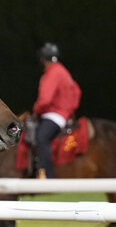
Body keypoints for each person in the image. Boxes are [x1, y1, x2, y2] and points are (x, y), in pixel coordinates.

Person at [31, 42, 81, 178]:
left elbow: (45, 100)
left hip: (55, 114)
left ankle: (47, 174)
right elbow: (77, 92)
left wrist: (36, 110)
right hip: (64, 114)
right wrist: (70, 109)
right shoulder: (63, 71)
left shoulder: (52, 73)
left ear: (42, 59)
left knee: (41, 137)